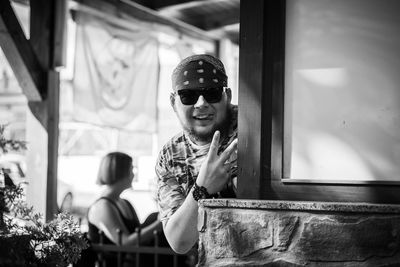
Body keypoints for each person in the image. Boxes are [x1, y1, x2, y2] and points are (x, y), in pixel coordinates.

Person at [155, 54, 238, 255]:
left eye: (212, 93)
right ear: (173, 101)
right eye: (188, 96)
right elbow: (179, 241)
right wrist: (202, 188)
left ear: (227, 96)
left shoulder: (253, 127)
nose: (201, 103)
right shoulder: (170, 155)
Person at [87, 152, 162, 266]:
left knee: (153, 216)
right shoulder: (102, 206)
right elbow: (125, 243)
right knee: (154, 218)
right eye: (131, 169)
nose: (133, 174)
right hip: (117, 264)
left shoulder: (125, 202)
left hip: (136, 262)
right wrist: (159, 223)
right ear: (120, 172)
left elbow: (140, 235)